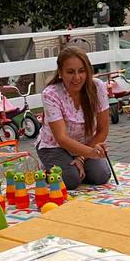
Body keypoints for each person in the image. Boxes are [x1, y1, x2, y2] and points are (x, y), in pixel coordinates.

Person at [36, 46, 111, 190]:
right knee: (71, 180)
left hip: (85, 144)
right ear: (60, 73)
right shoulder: (50, 94)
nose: (77, 78)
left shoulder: (98, 87)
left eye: (81, 71)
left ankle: (72, 166)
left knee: (101, 175)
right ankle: (47, 168)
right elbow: (61, 138)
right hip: (54, 147)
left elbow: (103, 129)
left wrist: (81, 158)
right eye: (70, 72)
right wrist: (92, 153)